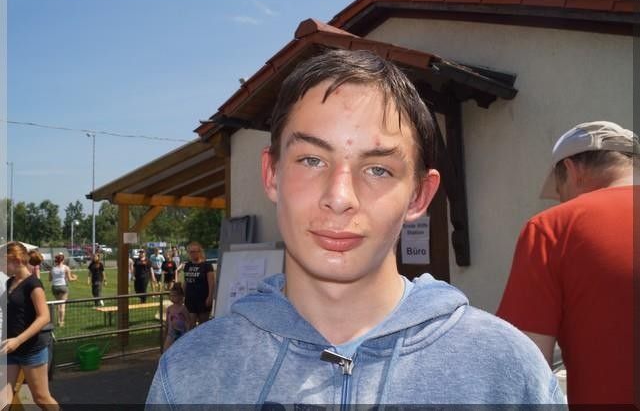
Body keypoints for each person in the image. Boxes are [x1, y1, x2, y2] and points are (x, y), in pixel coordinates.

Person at [147, 49, 564, 406]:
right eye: (311, 160)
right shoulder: (189, 375)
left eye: (378, 169)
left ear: (419, 196)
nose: (340, 196)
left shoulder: (506, 371)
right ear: (272, 174)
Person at [497, 121, 637, 405]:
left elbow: (524, 364)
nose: (561, 201)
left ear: (573, 171)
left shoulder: (553, 228)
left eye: (560, 192)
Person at [0, 242, 59, 410]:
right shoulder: (9, 282)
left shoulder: (33, 284)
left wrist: (18, 340)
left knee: (41, 398)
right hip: (10, 350)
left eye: (3, 262)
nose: (1, 267)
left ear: (17, 260)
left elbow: (44, 317)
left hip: (31, 350)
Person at [181, 242, 215, 326]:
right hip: (190, 299)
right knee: (190, 324)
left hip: (203, 299)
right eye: (190, 252)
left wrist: (210, 297)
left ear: (200, 252)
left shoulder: (207, 266)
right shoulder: (187, 265)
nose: (192, 254)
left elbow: (211, 283)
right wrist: (182, 295)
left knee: (203, 325)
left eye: (194, 251)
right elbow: (186, 281)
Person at [49, 253, 77, 327]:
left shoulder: (52, 268)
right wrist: (75, 278)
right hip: (63, 286)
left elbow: (50, 279)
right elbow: (70, 279)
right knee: (62, 305)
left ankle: (58, 320)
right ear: (63, 260)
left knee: (58, 305)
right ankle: (61, 322)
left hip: (54, 287)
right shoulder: (66, 268)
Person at [163, 282, 191, 350]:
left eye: (174, 296)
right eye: (170, 296)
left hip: (181, 334)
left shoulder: (183, 308)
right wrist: (165, 333)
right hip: (170, 334)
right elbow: (167, 322)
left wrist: (187, 334)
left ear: (180, 296)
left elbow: (188, 321)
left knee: (179, 350)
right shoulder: (169, 308)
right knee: (166, 349)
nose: (172, 297)